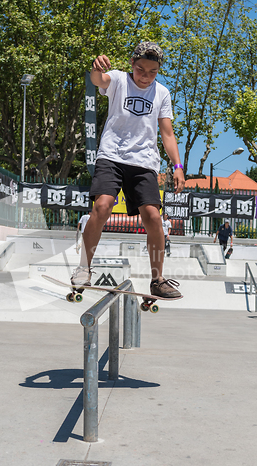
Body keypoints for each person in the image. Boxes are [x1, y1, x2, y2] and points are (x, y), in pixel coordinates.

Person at [71, 41, 185, 297]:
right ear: (132, 64)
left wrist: (177, 166)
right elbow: (98, 79)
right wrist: (96, 66)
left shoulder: (162, 93)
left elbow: (167, 133)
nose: (146, 76)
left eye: (152, 72)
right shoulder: (120, 80)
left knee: (154, 217)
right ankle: (84, 268)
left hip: (144, 162)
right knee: (102, 206)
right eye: (141, 69)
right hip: (111, 156)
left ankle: (157, 280)